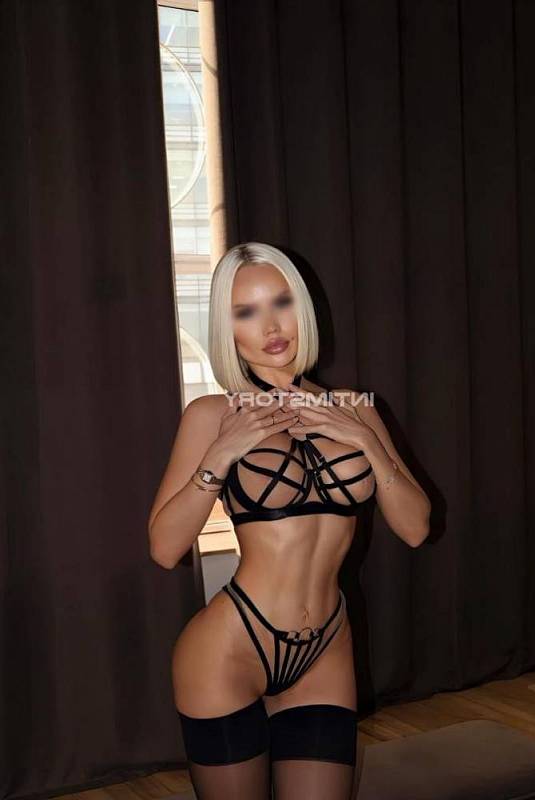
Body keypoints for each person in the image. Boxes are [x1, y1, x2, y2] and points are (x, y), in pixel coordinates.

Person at [148, 242, 431, 800]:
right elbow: (163, 548)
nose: (272, 327)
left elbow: (417, 528)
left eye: (281, 303)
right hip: (230, 647)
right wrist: (219, 456)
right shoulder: (213, 415)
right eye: (246, 312)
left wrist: (367, 442)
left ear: (303, 308)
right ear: (227, 330)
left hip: (325, 646)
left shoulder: (355, 408)